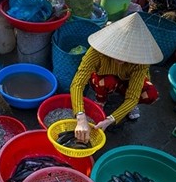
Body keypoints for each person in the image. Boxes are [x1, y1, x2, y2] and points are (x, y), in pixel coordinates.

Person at [69, 12, 163, 142]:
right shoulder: (96, 52)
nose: (121, 58)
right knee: (105, 81)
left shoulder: (141, 61)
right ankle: (101, 100)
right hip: (105, 80)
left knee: (151, 94)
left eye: (127, 55)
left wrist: (110, 120)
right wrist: (80, 116)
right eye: (118, 53)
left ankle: (127, 107)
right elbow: (78, 84)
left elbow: (133, 96)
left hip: (128, 83)